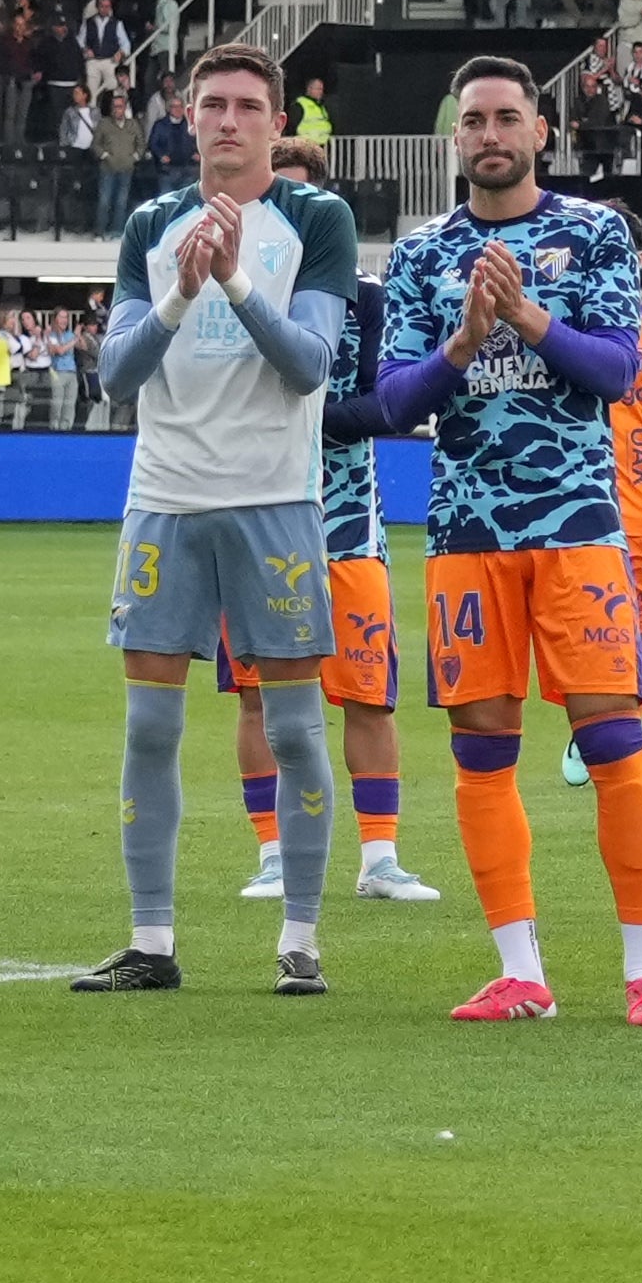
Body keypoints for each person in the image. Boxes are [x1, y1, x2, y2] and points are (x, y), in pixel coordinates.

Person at [364, 58, 642, 1027]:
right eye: (473, 120)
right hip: (466, 533)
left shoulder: (590, 235)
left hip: (577, 529)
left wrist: (528, 317)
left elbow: (620, 368)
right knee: (480, 750)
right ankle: (520, 971)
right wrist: (462, 342)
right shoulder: (420, 258)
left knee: (614, 738)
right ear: (454, 138)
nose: (490, 133)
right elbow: (392, 399)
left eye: (507, 117)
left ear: (541, 130)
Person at [72, 49, 357, 998]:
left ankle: (301, 941)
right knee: (149, 728)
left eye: (246, 106)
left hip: (274, 499)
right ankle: (151, 942)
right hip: (164, 498)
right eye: (211, 106)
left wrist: (234, 282)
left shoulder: (315, 218)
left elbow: (310, 362)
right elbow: (116, 375)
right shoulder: (151, 224)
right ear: (186, 118)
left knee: (294, 732)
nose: (228, 121)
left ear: (277, 123)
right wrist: (183, 291)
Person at [231, 138, 445, 909]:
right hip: (251, 519)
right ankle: (272, 855)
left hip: (346, 523)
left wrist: (300, 411)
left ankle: (379, 858)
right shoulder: (228, 288)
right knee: (258, 697)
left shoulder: (367, 297)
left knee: (367, 695)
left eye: (298, 202)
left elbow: (383, 405)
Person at [558, 263, 642, 798]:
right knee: (573, 633)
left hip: (639, 516)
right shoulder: (559, 325)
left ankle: (613, 740)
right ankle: (589, 726)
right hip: (566, 510)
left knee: (633, 638)